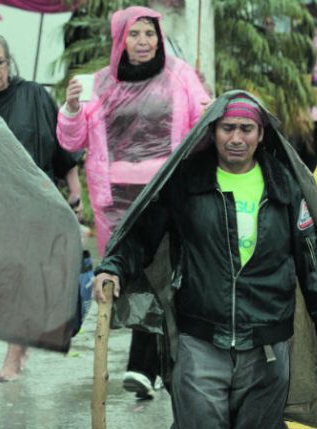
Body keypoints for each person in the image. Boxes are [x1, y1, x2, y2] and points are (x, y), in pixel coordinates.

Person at [92, 92, 317, 429]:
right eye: (227, 128)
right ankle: (196, 425)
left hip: (266, 341)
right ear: (212, 131)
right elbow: (141, 234)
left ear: (261, 134)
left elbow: (314, 261)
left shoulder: (284, 186)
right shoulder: (187, 182)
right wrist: (113, 266)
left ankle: (261, 428)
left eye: (246, 129)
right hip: (202, 335)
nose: (236, 138)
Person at [57, 6, 210, 399]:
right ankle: (151, 365)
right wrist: (71, 109)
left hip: (168, 195)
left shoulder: (181, 76)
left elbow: (201, 128)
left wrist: (210, 113)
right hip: (117, 202)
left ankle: (147, 366)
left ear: (159, 38)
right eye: (134, 34)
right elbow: (72, 141)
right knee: (133, 275)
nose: (143, 42)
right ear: (120, 39)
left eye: (150, 33)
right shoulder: (98, 83)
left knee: (167, 275)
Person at [0, 32, 84, 383]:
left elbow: (61, 145)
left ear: (9, 62)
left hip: (36, 201)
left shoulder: (34, 95)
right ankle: (20, 346)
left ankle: (13, 355)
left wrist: (75, 191)